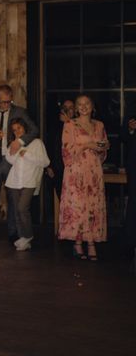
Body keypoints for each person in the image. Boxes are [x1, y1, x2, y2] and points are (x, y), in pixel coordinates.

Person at [0, 84, 39, 245]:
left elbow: (34, 130)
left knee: (13, 199)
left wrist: (20, 141)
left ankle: (14, 233)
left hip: (13, 161)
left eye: (8, 102)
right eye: (3, 102)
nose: (5, 105)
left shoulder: (20, 112)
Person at [58, 94, 108, 261]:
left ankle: (92, 242)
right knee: (78, 207)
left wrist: (103, 147)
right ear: (76, 107)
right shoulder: (70, 124)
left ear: (92, 106)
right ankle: (78, 243)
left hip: (94, 171)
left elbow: (103, 149)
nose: (83, 106)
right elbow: (67, 150)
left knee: (92, 206)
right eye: (80, 104)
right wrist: (87, 145)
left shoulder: (99, 125)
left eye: (87, 103)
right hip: (76, 171)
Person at [5, 118, 50, 251]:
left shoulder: (37, 142)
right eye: (14, 130)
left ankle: (28, 235)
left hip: (29, 181)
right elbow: (10, 160)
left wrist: (27, 154)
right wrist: (13, 150)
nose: (17, 131)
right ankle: (23, 237)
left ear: (25, 128)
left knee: (22, 208)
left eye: (19, 128)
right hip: (14, 181)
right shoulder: (14, 144)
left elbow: (45, 162)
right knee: (17, 211)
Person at [45, 99, 75, 199]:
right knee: (62, 199)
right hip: (58, 170)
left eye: (70, 108)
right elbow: (49, 146)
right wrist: (49, 166)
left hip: (73, 170)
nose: (67, 111)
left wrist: (68, 122)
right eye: (64, 108)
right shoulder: (54, 126)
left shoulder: (77, 126)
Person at [120, 114, 136, 266]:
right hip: (135, 167)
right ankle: (130, 247)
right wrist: (131, 130)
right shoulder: (132, 109)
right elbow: (123, 136)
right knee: (133, 207)